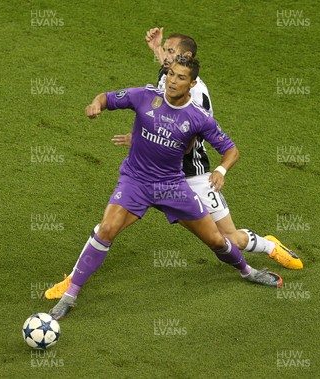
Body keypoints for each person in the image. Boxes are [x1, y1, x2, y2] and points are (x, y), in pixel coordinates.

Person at [44, 30, 301, 300]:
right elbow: (157, 96)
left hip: (191, 175)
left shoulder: (197, 101)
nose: (165, 63)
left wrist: (216, 167)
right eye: (165, 57)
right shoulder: (167, 79)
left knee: (226, 239)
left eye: (169, 53)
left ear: (189, 78)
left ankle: (266, 246)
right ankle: (73, 282)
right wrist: (145, 131)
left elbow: (192, 140)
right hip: (144, 176)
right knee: (107, 227)